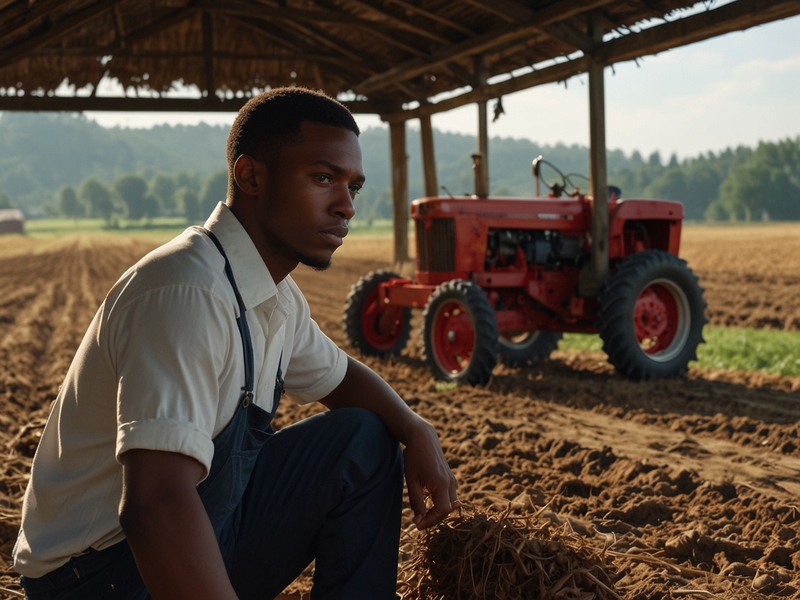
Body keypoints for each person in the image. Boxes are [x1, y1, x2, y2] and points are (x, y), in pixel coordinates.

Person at [13, 87, 459, 599]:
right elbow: (153, 505)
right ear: (250, 176)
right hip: (98, 574)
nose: (346, 207)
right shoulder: (187, 290)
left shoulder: (274, 296)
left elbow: (340, 377)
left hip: (194, 532)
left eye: (353, 187)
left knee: (364, 439)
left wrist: (415, 428)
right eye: (322, 178)